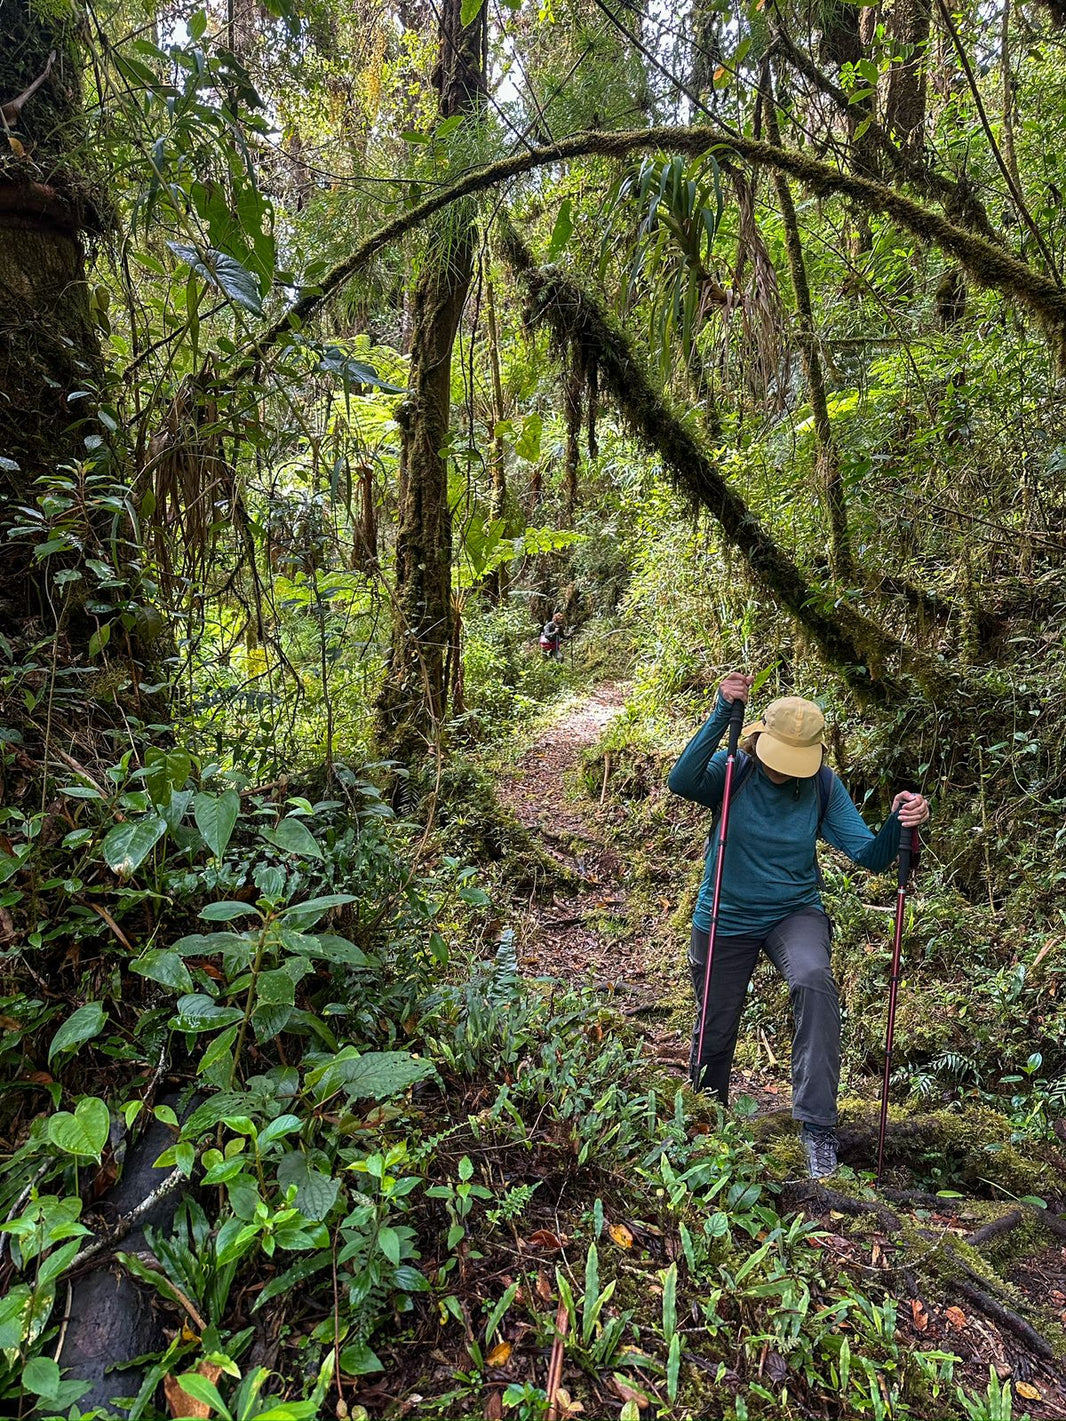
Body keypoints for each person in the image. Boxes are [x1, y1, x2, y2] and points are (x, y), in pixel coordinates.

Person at [667, 671, 930, 1179]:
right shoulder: (733, 770)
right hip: (726, 912)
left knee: (814, 980)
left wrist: (902, 821)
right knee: (716, 1028)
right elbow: (680, 780)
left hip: (794, 910)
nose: (786, 770)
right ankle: (706, 1120)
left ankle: (817, 1128)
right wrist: (721, 711)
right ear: (761, 740)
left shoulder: (822, 786)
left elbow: (868, 855)